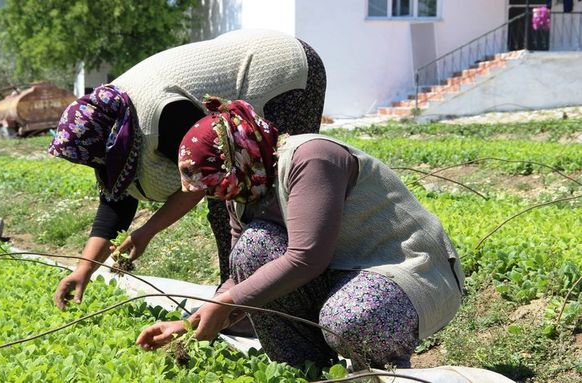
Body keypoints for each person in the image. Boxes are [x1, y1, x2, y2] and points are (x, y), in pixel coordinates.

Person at [135, 97, 465, 370]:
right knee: (252, 249)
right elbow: (240, 278)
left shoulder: (311, 158)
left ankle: (379, 375)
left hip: (409, 273)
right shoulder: (246, 187)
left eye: (220, 186)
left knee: (350, 319)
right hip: (340, 277)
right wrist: (191, 321)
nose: (221, 197)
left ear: (239, 159)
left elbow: (307, 257)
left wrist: (224, 305)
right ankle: (307, 372)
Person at [48, 29, 327, 321]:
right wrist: (84, 268)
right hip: (243, 61)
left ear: (109, 142)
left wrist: (147, 232)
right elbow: (116, 200)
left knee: (265, 191)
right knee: (230, 202)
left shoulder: (161, 114)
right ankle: (238, 303)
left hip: (279, 69)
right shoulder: (109, 121)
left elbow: (200, 181)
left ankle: (264, 306)